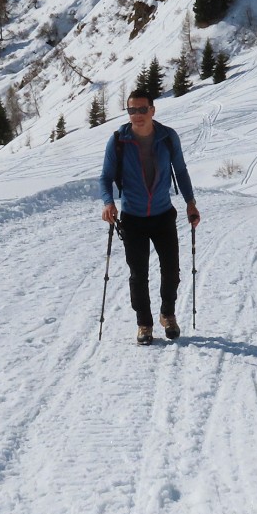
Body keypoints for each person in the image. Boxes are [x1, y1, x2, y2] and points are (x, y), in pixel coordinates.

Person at [100, 91, 201, 344]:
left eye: (142, 110)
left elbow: (181, 169)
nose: (137, 115)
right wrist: (108, 202)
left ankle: (167, 314)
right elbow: (105, 177)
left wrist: (191, 203)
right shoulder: (118, 141)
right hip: (133, 218)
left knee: (171, 271)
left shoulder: (168, 137)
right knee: (138, 274)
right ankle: (144, 323)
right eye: (132, 110)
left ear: (153, 110)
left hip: (163, 215)